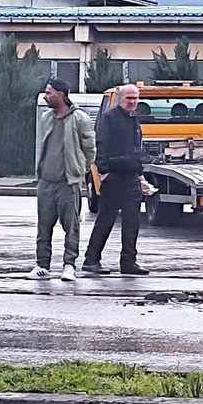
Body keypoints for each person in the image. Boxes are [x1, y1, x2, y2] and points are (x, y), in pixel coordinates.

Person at [31, 78, 96, 282]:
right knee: (43, 226)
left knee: (71, 226)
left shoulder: (80, 118)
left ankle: (69, 265)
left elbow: (90, 149)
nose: (45, 96)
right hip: (45, 181)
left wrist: (80, 170)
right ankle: (42, 265)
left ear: (60, 94)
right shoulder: (46, 118)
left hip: (68, 182)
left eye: (49, 93)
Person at [83, 85, 149, 276]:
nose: (132, 102)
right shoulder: (109, 118)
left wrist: (140, 174)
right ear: (120, 98)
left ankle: (128, 262)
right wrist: (103, 171)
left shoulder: (134, 119)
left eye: (135, 98)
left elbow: (136, 148)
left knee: (132, 222)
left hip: (131, 176)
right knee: (106, 219)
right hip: (113, 176)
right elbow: (100, 144)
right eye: (129, 98)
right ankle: (91, 260)